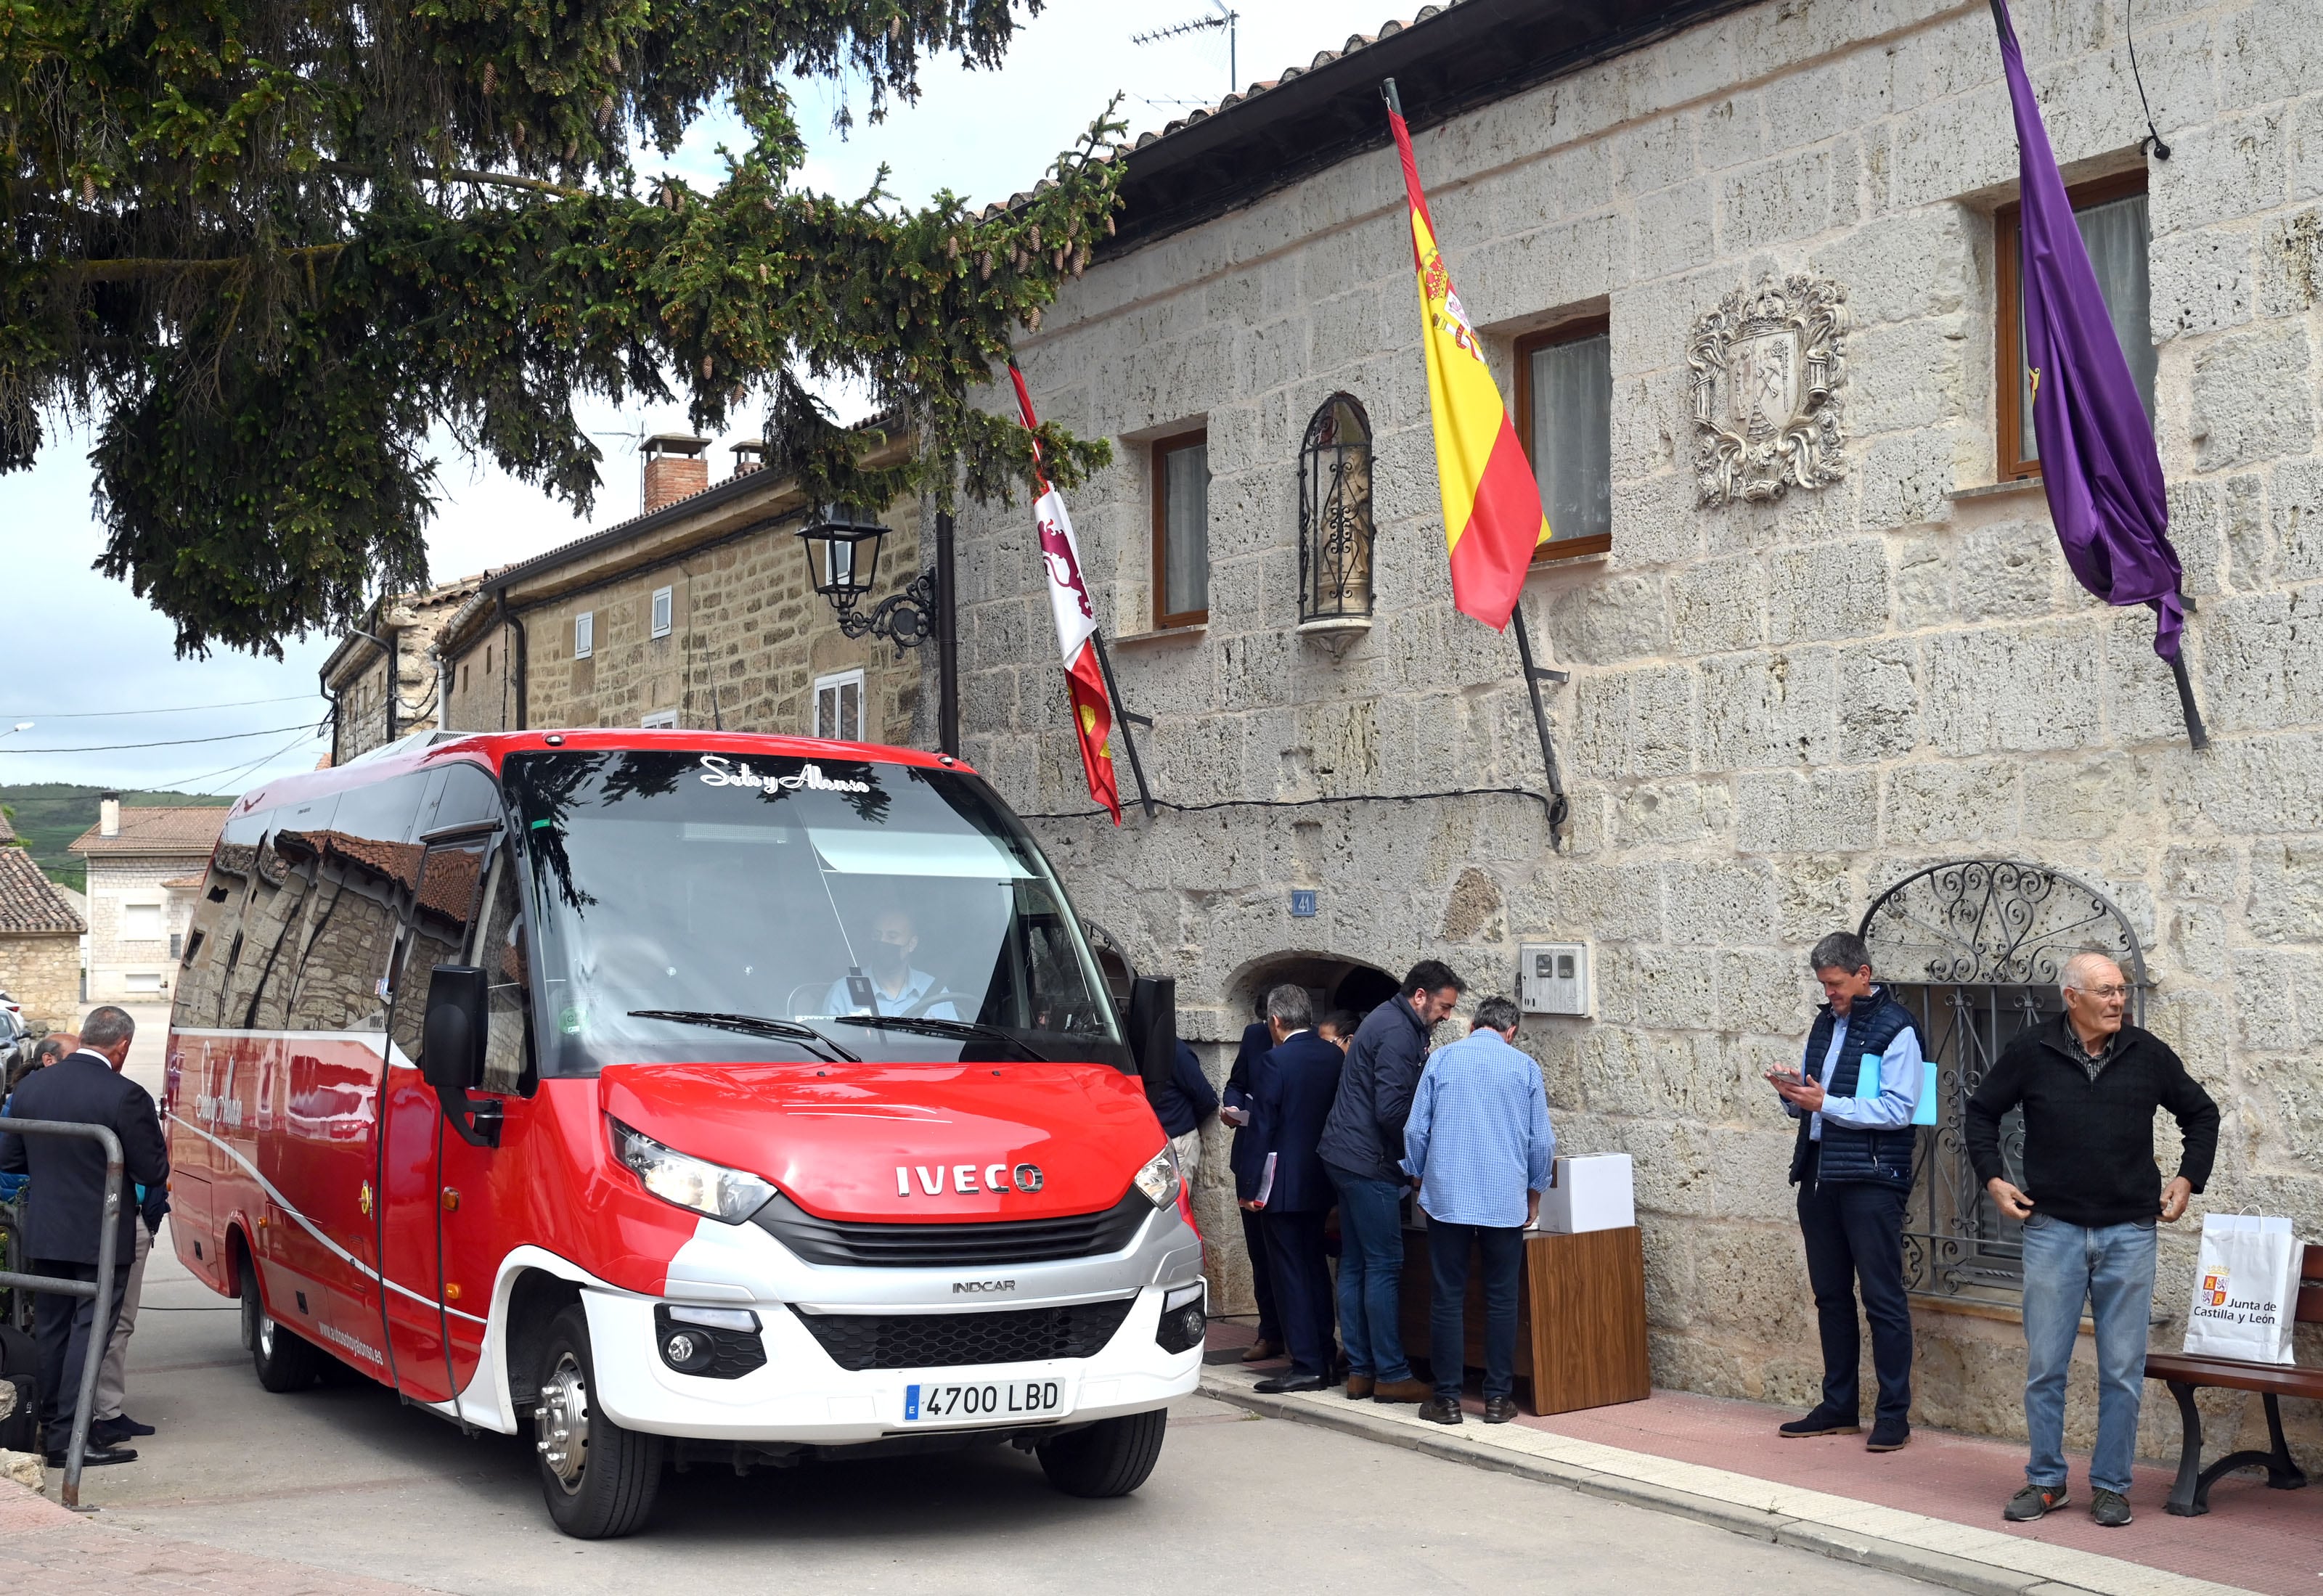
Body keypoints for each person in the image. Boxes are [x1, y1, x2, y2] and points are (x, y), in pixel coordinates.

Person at [1968, 951, 2218, 1529]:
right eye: (2106, 991)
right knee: (2046, 1366)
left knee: (2123, 1368)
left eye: (2122, 990)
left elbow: (2202, 1114)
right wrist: (1994, 1178)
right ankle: (2046, 1481)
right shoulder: (2032, 1050)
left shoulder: (2147, 1053)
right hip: (2051, 1229)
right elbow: (1980, 1112)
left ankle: (2111, 1486)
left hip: (2130, 1231)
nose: (2118, 1001)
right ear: (2072, 996)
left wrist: (2187, 1178)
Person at [1766, 931, 1925, 1454]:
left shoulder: (1897, 1027)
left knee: (1882, 1298)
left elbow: (1901, 1110)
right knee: (1831, 1295)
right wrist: (1795, 1095)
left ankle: (1893, 1415)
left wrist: (1825, 1103)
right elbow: (1821, 1102)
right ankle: (1839, 1406)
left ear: (1863, 973)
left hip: (1871, 1180)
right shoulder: (1823, 1022)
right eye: (1824, 984)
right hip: (1818, 1174)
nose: (1829, 992)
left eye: (1835, 983)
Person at [0, 1007, 168, 1470]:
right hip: (102, 1234)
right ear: (123, 1047)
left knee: (53, 1331)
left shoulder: (31, 1086)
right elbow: (153, 1171)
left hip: (46, 1231)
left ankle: (54, 1425)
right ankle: (71, 1442)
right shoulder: (125, 1095)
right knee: (90, 1336)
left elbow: (11, 1158)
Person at [1317, 959, 1464, 1405]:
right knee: (1383, 1265)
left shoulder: (1384, 1019)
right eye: (1443, 1006)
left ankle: (1362, 1371)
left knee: (1358, 1264)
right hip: (1369, 1163)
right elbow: (1393, 1111)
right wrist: (1418, 1159)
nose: (1447, 1016)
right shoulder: (1400, 1033)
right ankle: (1392, 1374)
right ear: (1419, 995)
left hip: (1343, 1155)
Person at [1402, 997, 1554, 1427]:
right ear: (1512, 1032)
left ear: (1471, 1026)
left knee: (1447, 1297)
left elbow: (1416, 1128)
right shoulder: (1524, 1067)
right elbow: (1540, 1144)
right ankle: (1497, 1400)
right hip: (1505, 1200)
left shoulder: (1443, 1060)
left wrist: (1417, 1173)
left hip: (1447, 1198)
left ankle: (1446, 1400)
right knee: (1502, 1299)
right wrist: (1535, 1192)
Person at [1236, 984, 1344, 1394]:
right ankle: (1323, 1354)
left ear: (1276, 1022)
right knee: (1315, 1269)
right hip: (1321, 1178)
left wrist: (1249, 1186)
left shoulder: (1274, 1061)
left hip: (1281, 1185)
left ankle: (1307, 1364)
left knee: (1289, 1274)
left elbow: (1261, 1127)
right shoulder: (1332, 1055)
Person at [1221, 1004, 1284, 1363]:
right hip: (1250, 1159)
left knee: (1291, 1255)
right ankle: (1270, 1332)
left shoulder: (1310, 1044)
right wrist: (1231, 1107)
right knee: (1259, 1254)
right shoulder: (1254, 1036)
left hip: (1287, 1164)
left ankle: (1299, 1333)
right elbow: (1237, 1083)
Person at [820, 906, 957, 1018]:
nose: (883, 942)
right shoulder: (844, 991)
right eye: (877, 935)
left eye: (892, 936)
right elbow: (827, 1047)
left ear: (912, 944)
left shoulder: (936, 992)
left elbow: (954, 1045)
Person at [1147, 1037, 1219, 1189]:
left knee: (1174, 1208)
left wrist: (1185, 1120)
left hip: (1176, 1141)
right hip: (1152, 1142)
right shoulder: (1137, 1047)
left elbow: (1207, 1098)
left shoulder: (1174, 1050)